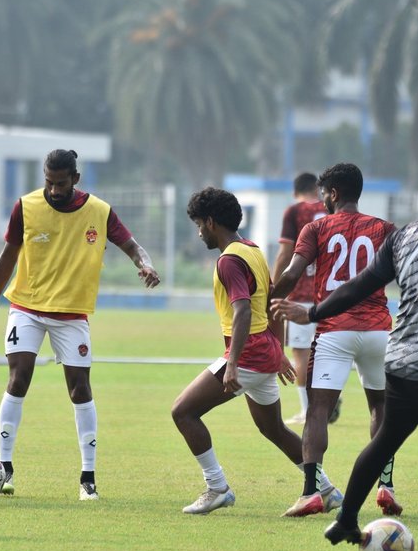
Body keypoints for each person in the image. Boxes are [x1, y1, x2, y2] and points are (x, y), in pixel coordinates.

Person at [273, 157, 418, 551]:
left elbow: (325, 280)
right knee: (382, 416)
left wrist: (291, 305)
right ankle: (390, 489)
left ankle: (325, 501)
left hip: (366, 342)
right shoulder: (386, 229)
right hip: (398, 341)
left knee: (327, 412)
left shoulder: (336, 229)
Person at [0, 149, 160, 501]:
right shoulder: (26, 206)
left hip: (72, 314)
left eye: (61, 183)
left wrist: (145, 264)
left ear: (75, 178)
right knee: (18, 377)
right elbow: (8, 256)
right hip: (26, 307)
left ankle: (88, 478)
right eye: (49, 182)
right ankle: (5, 468)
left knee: (79, 389)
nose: (54, 190)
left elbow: (133, 246)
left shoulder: (99, 211)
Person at [171, 187, 342, 515]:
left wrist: (232, 364)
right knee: (273, 428)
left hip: (248, 354)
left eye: (199, 224)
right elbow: (273, 302)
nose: (199, 232)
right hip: (264, 352)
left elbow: (244, 311)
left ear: (211, 222)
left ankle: (217, 487)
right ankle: (326, 490)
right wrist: (278, 350)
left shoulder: (229, 261)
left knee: (183, 412)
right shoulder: (252, 250)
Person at [271, 163, 400, 517]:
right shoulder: (385, 229)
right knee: (381, 408)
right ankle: (386, 486)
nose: (322, 200)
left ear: (334, 193)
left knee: (318, 410)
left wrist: (267, 299)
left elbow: (292, 273)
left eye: (324, 193)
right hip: (378, 331)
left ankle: (311, 493)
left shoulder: (316, 228)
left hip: (334, 330)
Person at [271, 173, 329, 425]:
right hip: (333, 295)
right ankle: (328, 401)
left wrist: (274, 288)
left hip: (302, 296)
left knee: (302, 353)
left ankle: (308, 410)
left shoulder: (295, 211)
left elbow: (286, 253)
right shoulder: (333, 210)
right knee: (330, 351)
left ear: (296, 192)